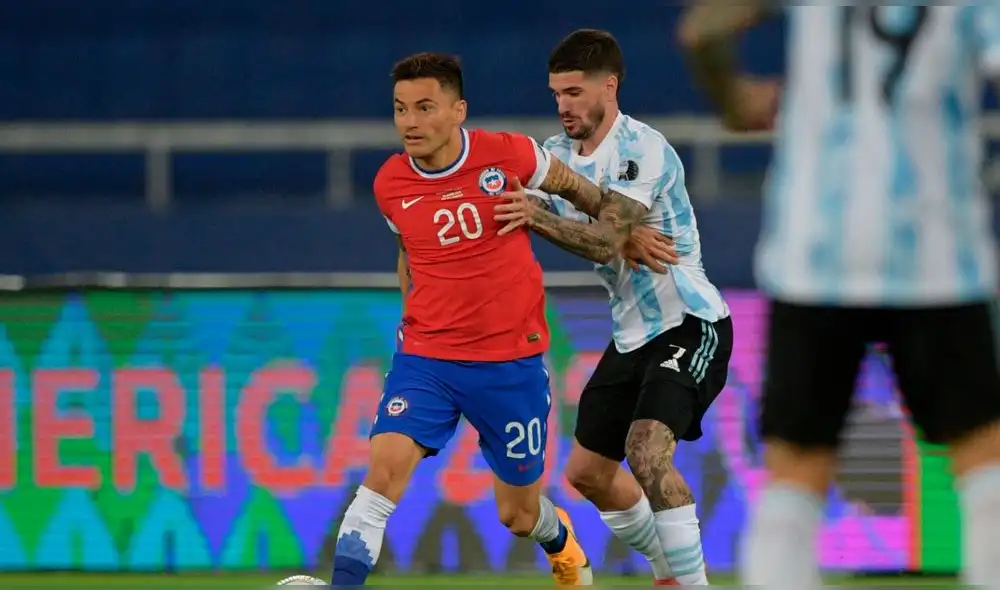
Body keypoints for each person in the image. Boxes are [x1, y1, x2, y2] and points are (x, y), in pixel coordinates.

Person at [678, 3, 1000, 588]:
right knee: (984, 461)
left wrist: (735, 98)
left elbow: (704, 28)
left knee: (795, 471)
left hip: (817, 249)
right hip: (937, 250)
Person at [330, 51, 666, 587]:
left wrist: (625, 229)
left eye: (424, 108)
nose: (410, 123)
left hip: (510, 364)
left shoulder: (508, 154)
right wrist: (413, 318)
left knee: (518, 515)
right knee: (380, 479)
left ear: (458, 109)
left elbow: (581, 192)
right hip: (427, 360)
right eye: (400, 110)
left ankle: (559, 539)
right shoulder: (389, 183)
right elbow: (408, 254)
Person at [495, 29, 733, 586]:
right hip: (631, 334)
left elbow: (602, 241)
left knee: (646, 451)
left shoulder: (640, 148)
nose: (563, 106)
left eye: (575, 92)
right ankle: (666, 570)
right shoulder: (554, 156)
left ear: (610, 85)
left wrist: (543, 217)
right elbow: (510, 200)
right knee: (589, 474)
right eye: (556, 94)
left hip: (690, 320)